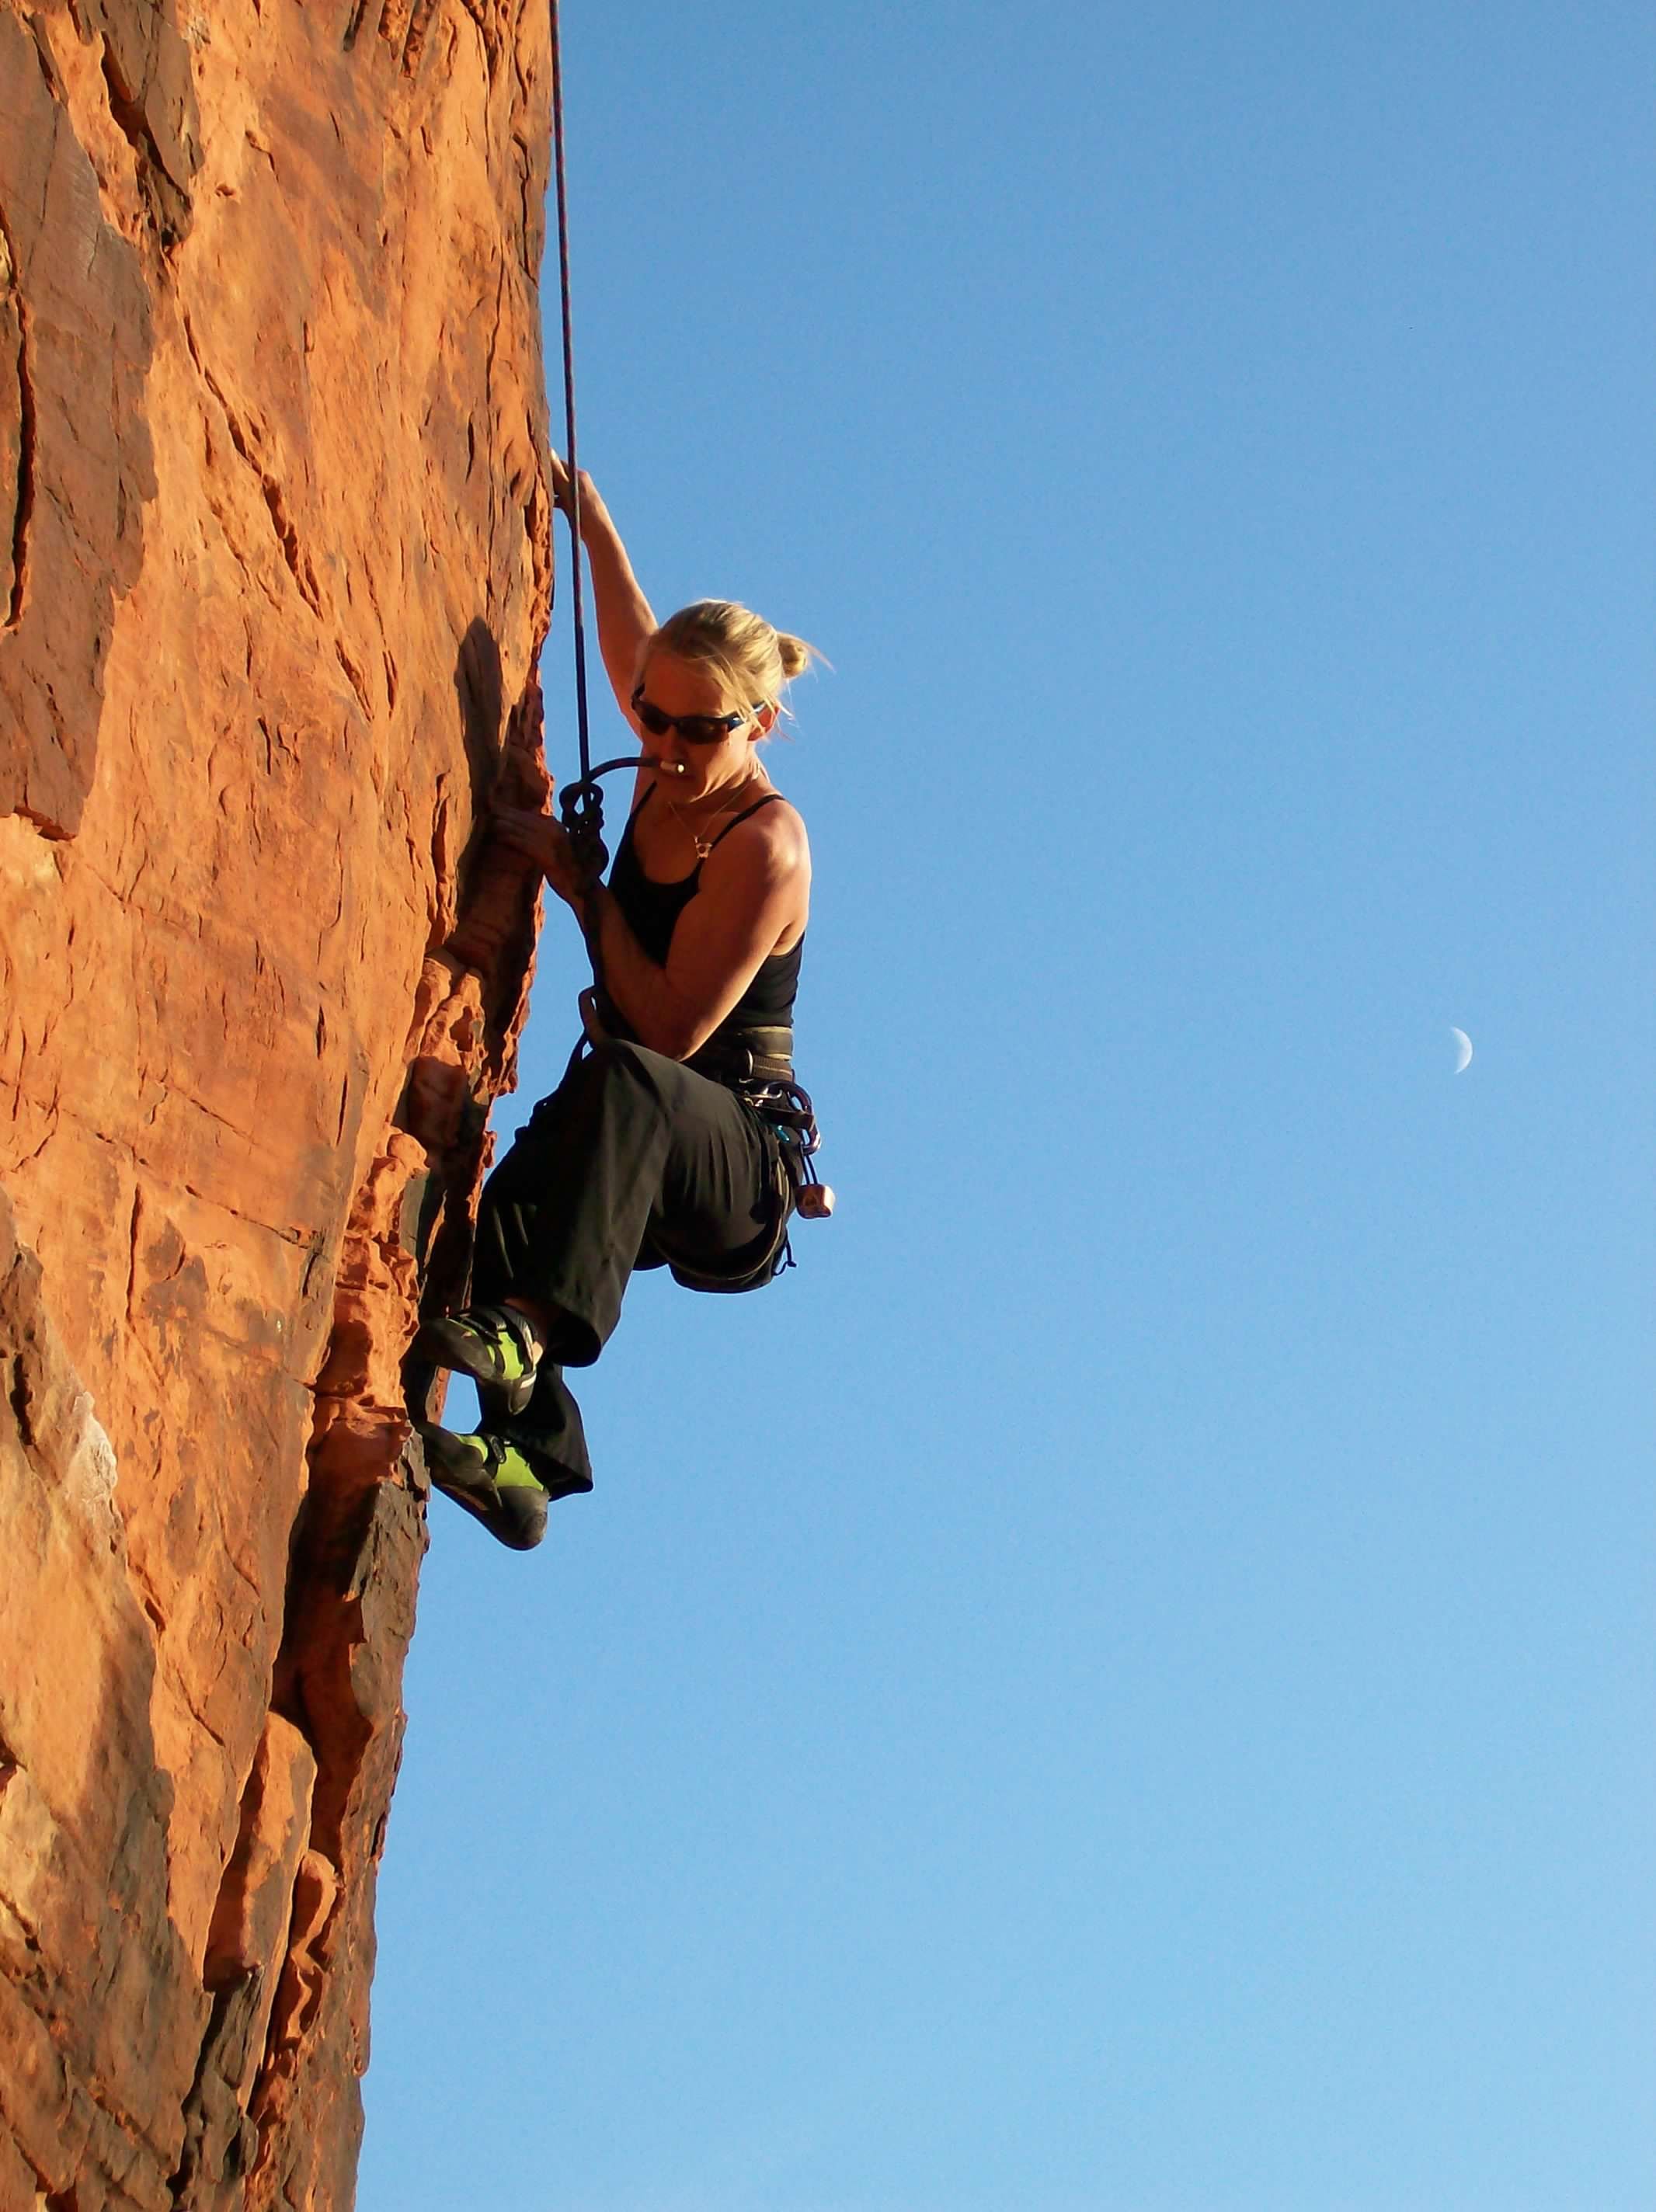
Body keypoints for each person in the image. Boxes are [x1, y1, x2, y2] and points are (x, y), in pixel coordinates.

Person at [413, 460, 820, 1549]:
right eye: (654, 720)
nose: (669, 749)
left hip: (734, 1159)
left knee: (632, 1078)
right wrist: (589, 518)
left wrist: (586, 889)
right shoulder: (665, 736)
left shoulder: (764, 845)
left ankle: (527, 1332)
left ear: (758, 727)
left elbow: (673, 1034)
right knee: (506, 1214)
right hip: (635, 1112)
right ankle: (526, 1464)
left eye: (700, 733)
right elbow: (630, 630)